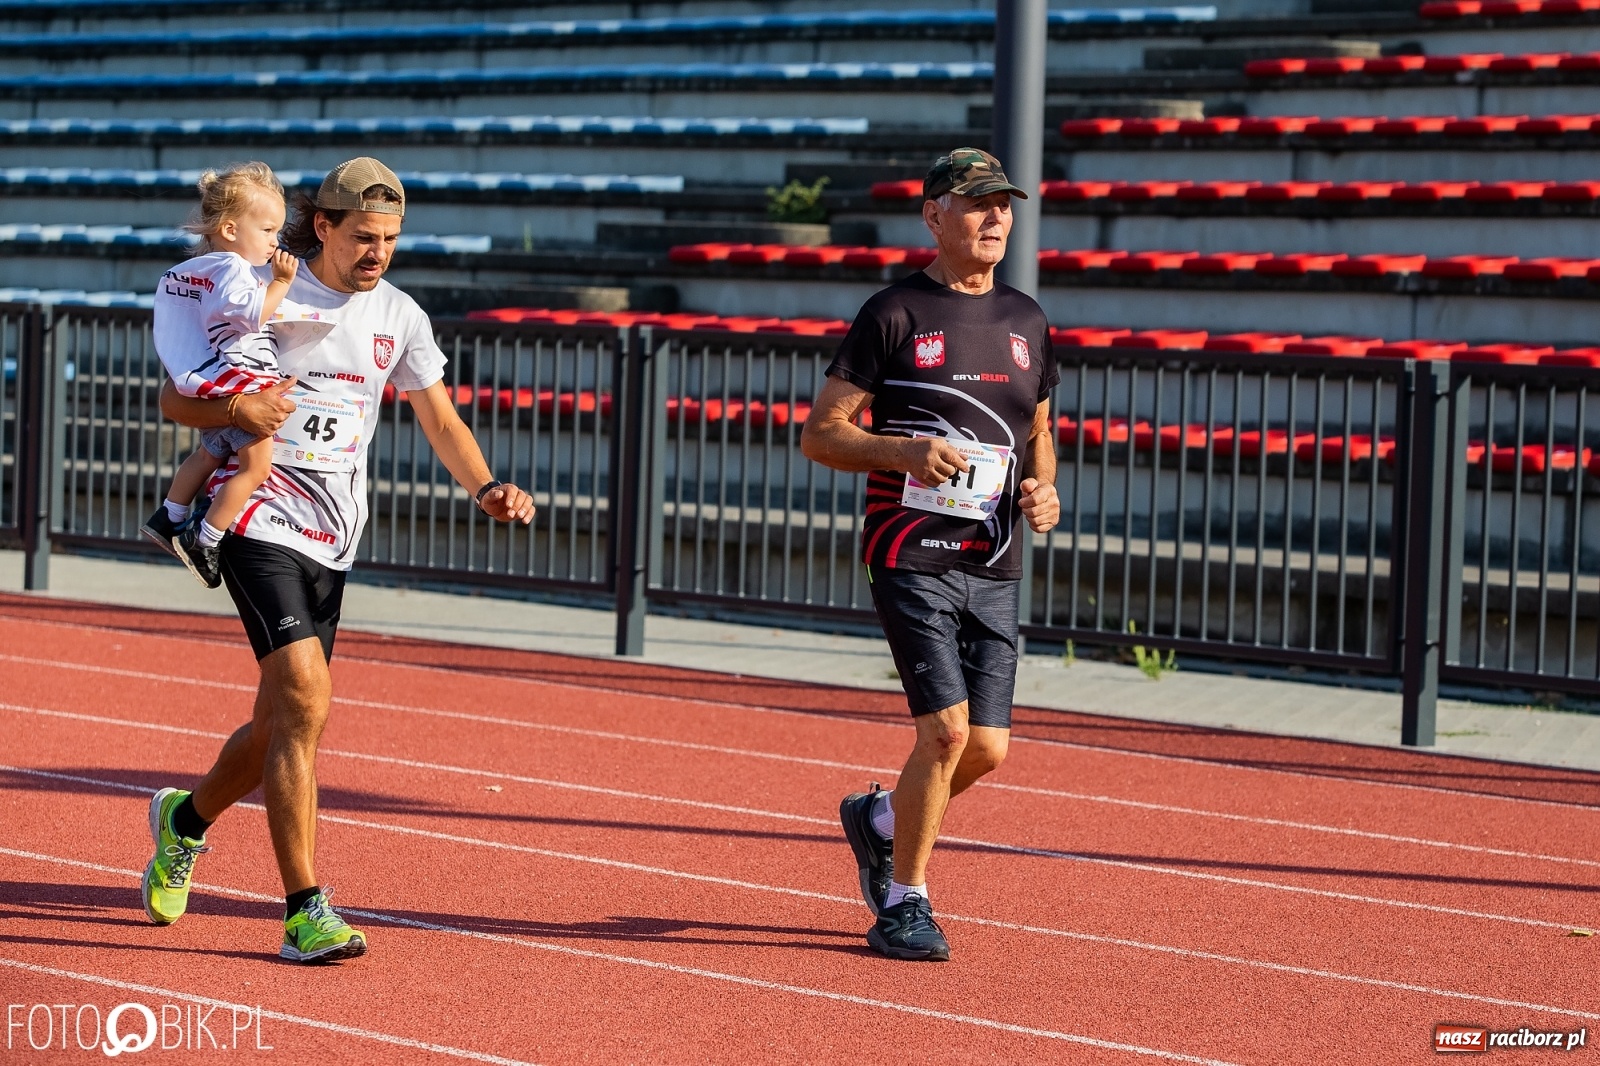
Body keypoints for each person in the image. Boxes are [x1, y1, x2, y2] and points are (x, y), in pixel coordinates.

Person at [140, 157, 535, 963]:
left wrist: (488, 487)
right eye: (363, 236)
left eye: (390, 239)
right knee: (306, 695)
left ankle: (185, 822)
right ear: (322, 226)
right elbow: (176, 399)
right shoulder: (262, 290)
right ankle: (304, 910)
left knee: (286, 718)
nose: (378, 253)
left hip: (335, 535)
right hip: (257, 515)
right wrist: (235, 407)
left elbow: (441, 422)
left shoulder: (401, 316)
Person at [799, 148, 1061, 962]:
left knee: (988, 747)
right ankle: (904, 903)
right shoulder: (894, 313)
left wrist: (1044, 492)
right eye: (975, 203)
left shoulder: (1027, 320)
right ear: (934, 215)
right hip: (909, 552)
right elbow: (822, 435)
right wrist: (902, 454)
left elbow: (1039, 435)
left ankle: (876, 820)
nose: (993, 218)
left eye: (1003, 206)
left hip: (995, 559)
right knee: (944, 735)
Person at [140, 162, 300, 588]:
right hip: (242, 383)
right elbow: (253, 315)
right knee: (256, 467)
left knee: (209, 454)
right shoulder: (232, 269)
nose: (275, 242)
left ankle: (169, 514)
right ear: (230, 230)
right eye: (267, 231)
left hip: (215, 385)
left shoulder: (203, 269)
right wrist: (281, 282)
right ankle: (204, 538)